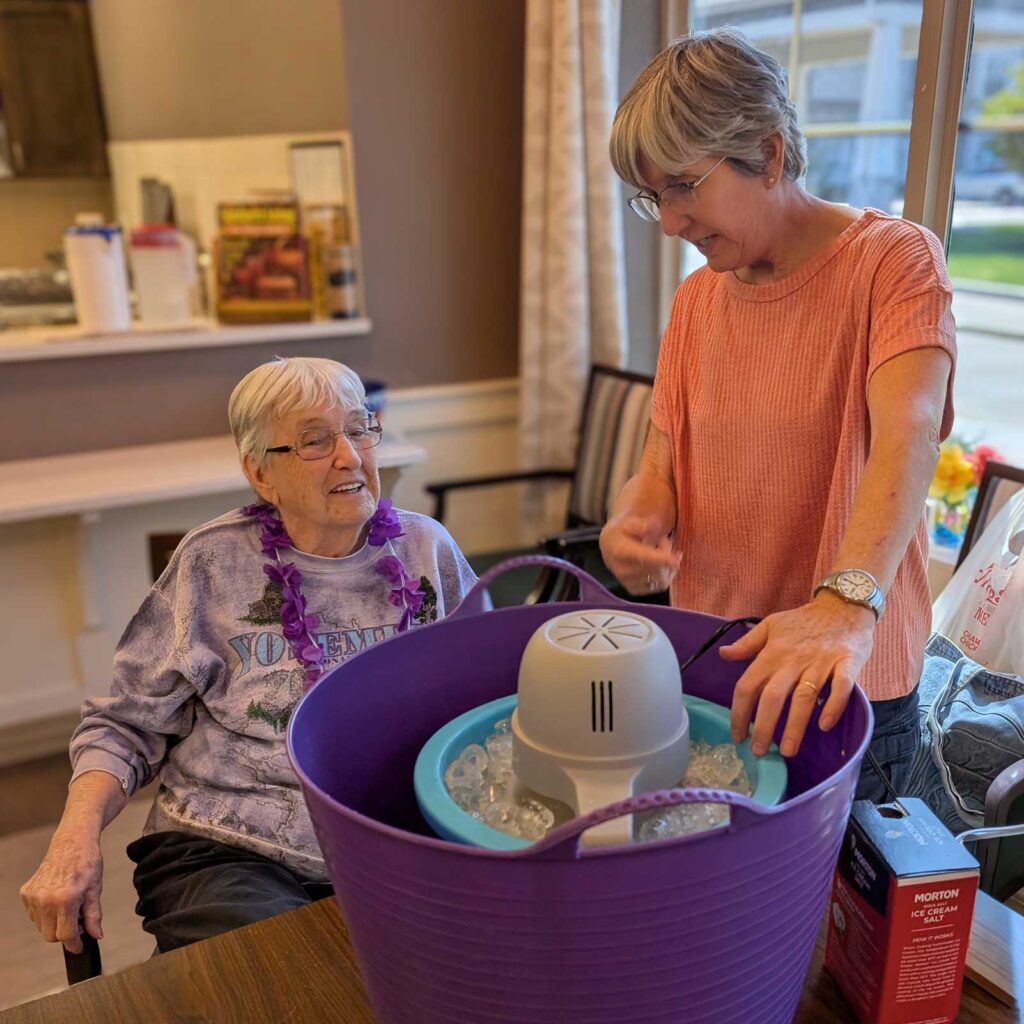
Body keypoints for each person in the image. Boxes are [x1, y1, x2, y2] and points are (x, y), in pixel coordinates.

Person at [599, 28, 956, 801]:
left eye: (684, 187)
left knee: (839, 920)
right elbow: (662, 467)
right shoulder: (697, 299)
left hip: (842, 676)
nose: (668, 222)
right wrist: (634, 522)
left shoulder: (892, 262)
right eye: (652, 196)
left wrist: (844, 605)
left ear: (765, 154)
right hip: (716, 668)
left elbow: (911, 432)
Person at [21, 356, 476, 954]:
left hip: (395, 835)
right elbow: (126, 724)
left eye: (360, 428)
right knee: (272, 980)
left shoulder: (426, 550)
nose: (349, 455)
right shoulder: (211, 563)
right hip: (228, 846)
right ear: (261, 475)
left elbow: (484, 692)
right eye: (315, 441)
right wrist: (72, 838)